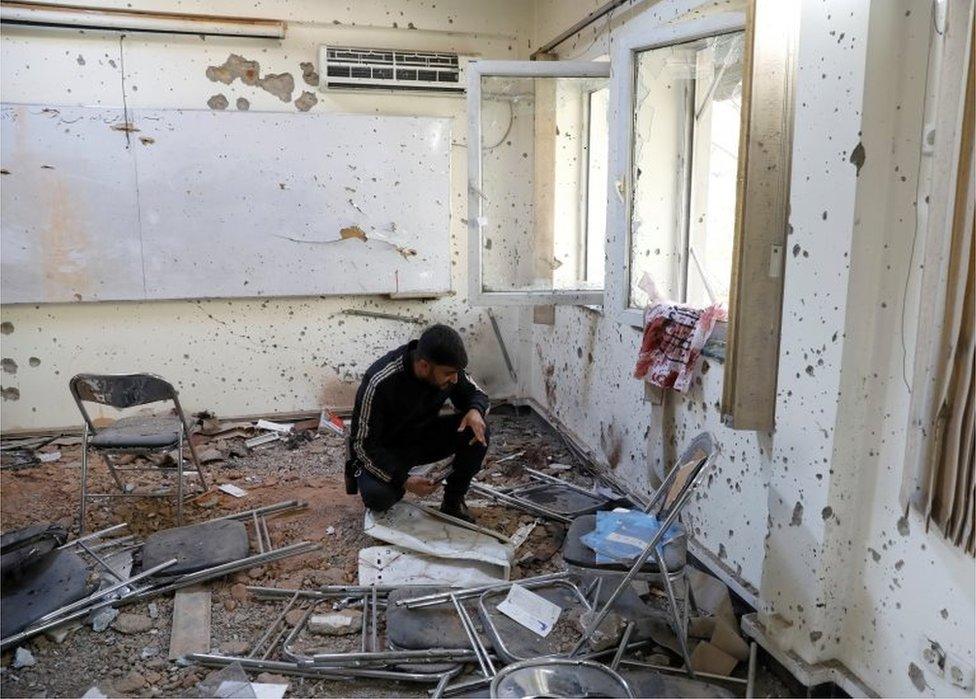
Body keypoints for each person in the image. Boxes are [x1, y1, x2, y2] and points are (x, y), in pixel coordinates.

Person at [344, 324, 489, 523]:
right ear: (424, 366)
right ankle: (392, 483)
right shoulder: (380, 381)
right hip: (386, 449)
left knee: (477, 431)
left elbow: (477, 394)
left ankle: (453, 501)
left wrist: (475, 410)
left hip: (420, 437)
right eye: (448, 373)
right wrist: (404, 480)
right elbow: (362, 445)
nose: (455, 379)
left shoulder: (449, 370)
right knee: (378, 498)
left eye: (457, 372)